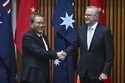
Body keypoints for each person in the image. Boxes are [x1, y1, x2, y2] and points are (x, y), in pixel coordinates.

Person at [20, 12, 66, 83]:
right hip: (32, 77)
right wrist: (57, 55)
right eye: (38, 23)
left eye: (43, 23)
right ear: (32, 24)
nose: (41, 25)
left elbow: (48, 51)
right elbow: (39, 52)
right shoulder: (28, 37)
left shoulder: (44, 37)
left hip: (43, 75)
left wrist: (58, 54)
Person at [75, 6, 113, 83]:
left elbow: (110, 55)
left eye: (89, 15)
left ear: (96, 17)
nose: (86, 17)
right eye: (85, 15)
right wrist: (65, 52)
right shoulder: (80, 30)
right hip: (83, 73)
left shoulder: (105, 31)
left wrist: (105, 72)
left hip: (98, 74)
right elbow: (74, 45)